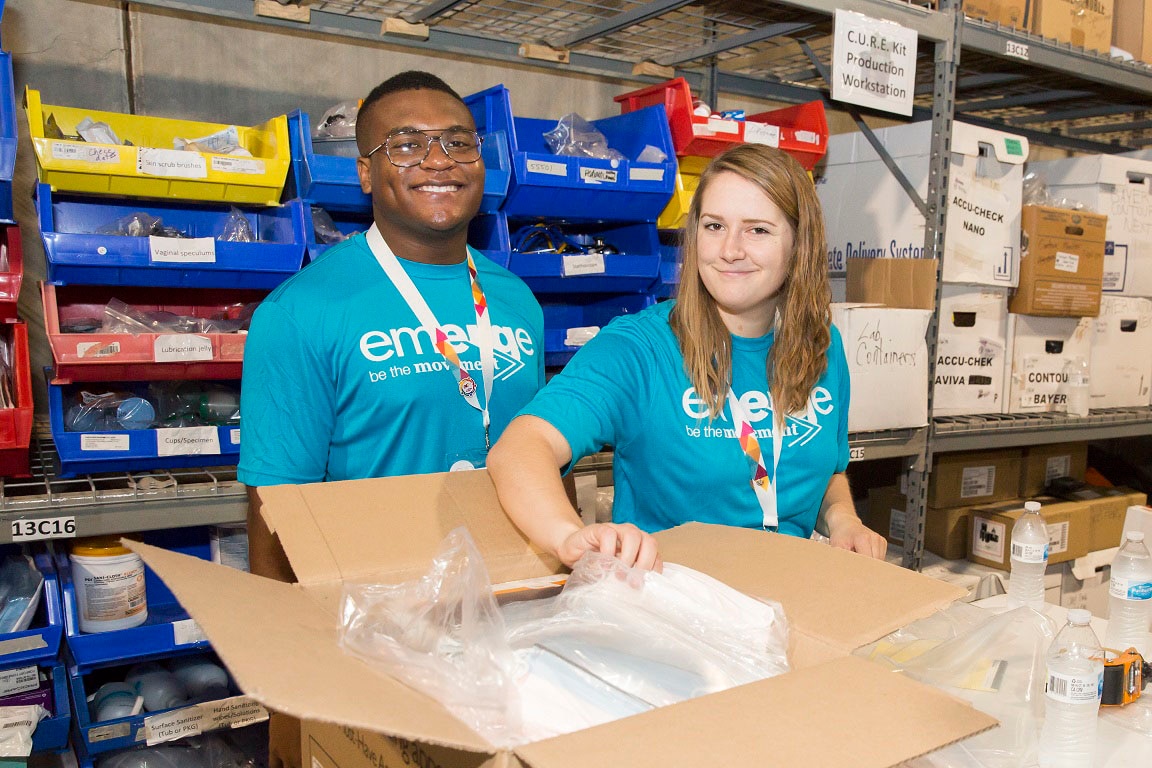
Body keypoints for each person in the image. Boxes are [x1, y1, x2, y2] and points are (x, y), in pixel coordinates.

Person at [237, 71, 544, 767]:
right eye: (406, 144)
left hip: (511, 619)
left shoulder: (516, 298)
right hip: (377, 633)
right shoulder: (304, 311)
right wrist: (286, 681)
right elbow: (273, 502)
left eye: (457, 141)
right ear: (365, 172)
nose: (438, 159)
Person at [488, 143, 885, 571]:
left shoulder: (823, 346)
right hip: (671, 608)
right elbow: (521, 448)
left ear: (799, 245)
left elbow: (827, 468)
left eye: (758, 230)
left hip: (789, 593)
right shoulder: (638, 349)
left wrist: (843, 519)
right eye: (715, 226)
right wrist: (567, 536)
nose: (730, 249)